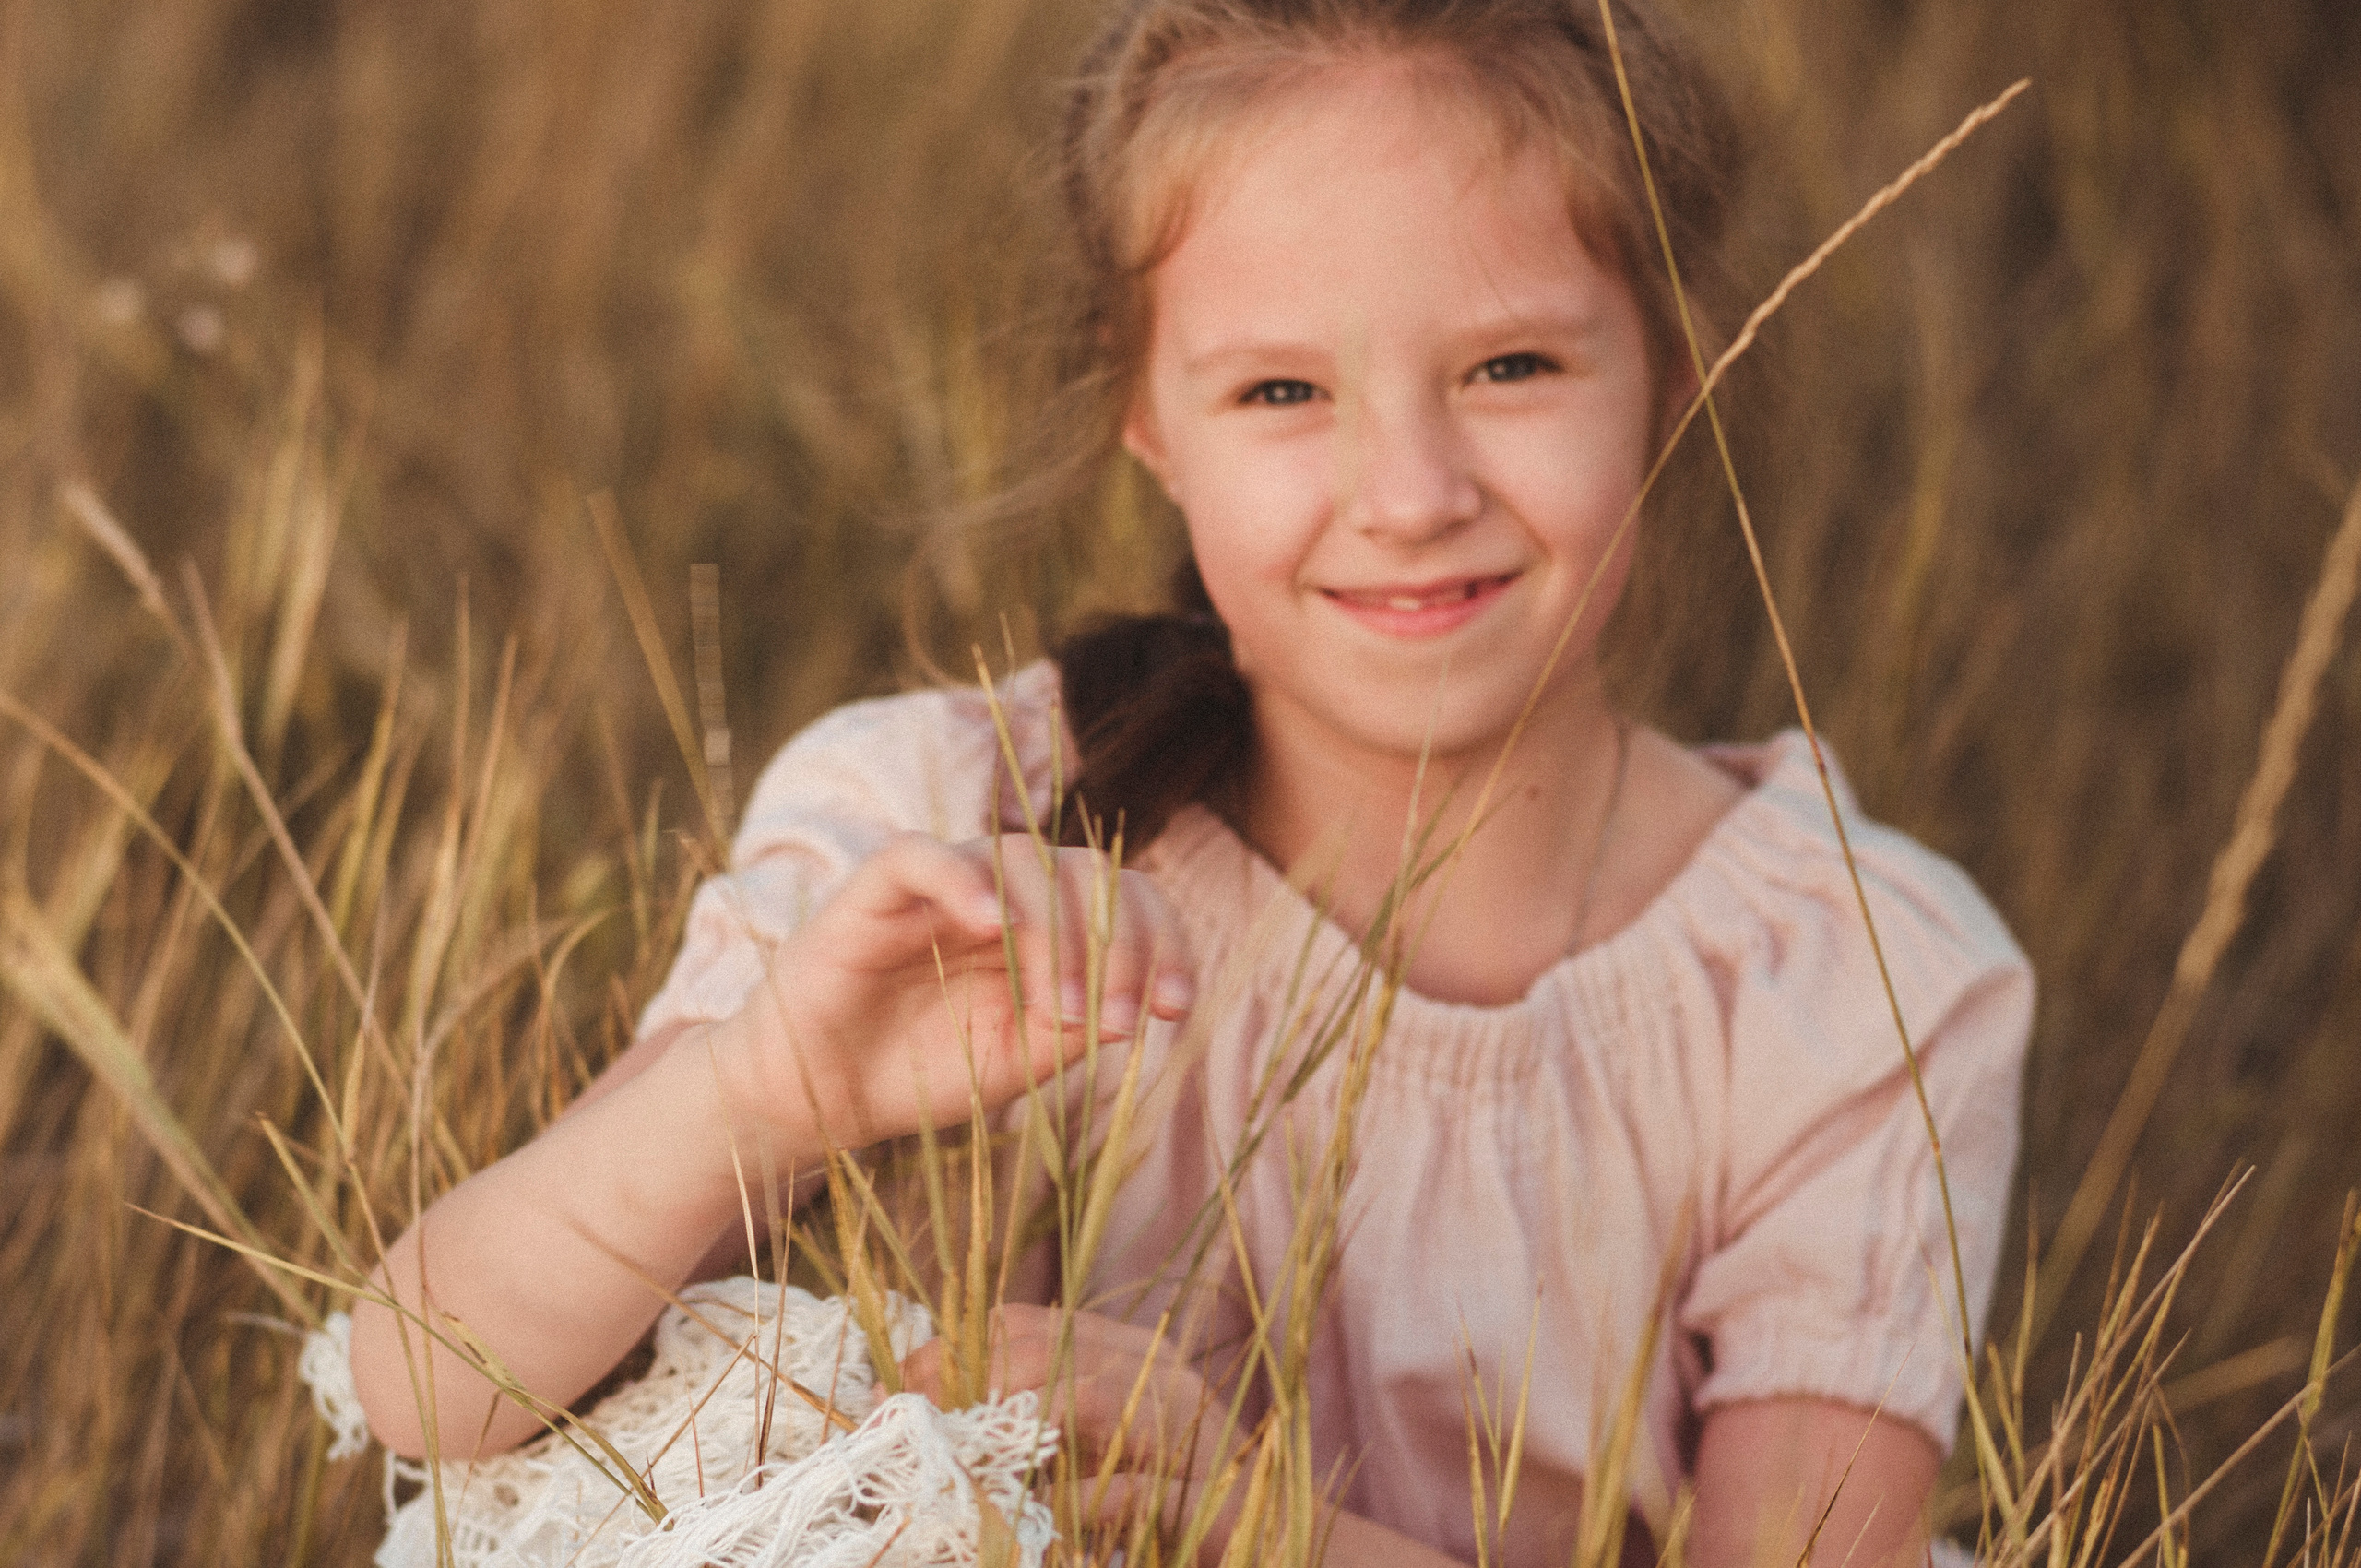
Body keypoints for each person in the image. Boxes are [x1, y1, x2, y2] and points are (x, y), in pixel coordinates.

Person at [349, 3, 2032, 1564]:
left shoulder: (1845, 980)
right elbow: (429, 1387)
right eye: (1283, 391)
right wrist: (774, 1085)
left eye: (1511, 367)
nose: (1410, 491)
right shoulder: (945, 819)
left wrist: (1265, 1528)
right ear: (1150, 413)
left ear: (1674, 360)